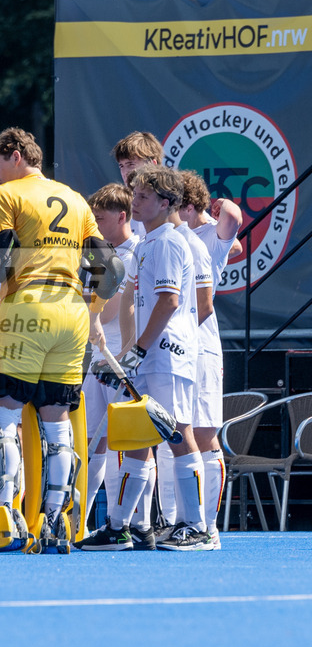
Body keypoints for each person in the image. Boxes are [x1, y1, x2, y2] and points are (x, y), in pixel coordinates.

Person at [0, 127, 121, 553]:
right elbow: (109, 271)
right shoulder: (76, 199)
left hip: (28, 306)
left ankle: (6, 516)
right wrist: (90, 310)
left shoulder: (5, 196)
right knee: (57, 421)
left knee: (5, 417)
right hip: (72, 309)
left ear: (15, 156)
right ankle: (57, 519)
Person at [79, 164, 212, 551]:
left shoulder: (170, 242)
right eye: (135, 195)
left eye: (143, 197)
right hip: (149, 356)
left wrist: (137, 350)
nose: (135, 201)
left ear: (167, 203)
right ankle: (120, 527)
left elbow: (169, 302)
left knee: (177, 434)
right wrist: (125, 354)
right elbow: (133, 303)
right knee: (138, 437)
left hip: (170, 356)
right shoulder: (147, 243)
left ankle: (197, 528)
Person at [178, 170, 243, 547]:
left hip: (202, 343)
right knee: (176, 432)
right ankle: (182, 523)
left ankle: (209, 526)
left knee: (204, 433)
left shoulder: (209, 237)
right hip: (173, 344)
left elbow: (232, 219)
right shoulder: (178, 234)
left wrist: (216, 209)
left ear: (188, 206)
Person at [81, 184, 140, 530]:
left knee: (125, 445)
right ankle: (81, 522)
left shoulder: (133, 254)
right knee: (91, 442)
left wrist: (83, 316)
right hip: (96, 357)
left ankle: (127, 524)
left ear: (121, 217)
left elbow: (112, 309)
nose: (96, 227)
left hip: (121, 360)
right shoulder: (98, 255)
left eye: (100, 220)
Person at [113, 131, 163, 238]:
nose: (125, 172)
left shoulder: (173, 204)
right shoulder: (118, 207)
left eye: (130, 164)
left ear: (152, 164)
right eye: (121, 166)